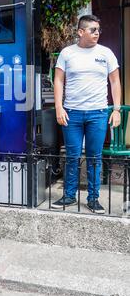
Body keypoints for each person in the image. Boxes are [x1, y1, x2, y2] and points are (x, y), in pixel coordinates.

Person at [52, 15, 121, 214]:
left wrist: (116, 109)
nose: (97, 33)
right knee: (72, 156)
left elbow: (115, 81)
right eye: (92, 29)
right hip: (71, 114)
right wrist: (59, 107)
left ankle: (93, 199)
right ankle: (69, 196)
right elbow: (58, 81)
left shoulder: (106, 53)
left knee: (94, 158)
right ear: (81, 32)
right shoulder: (67, 53)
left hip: (98, 114)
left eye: (98, 29)